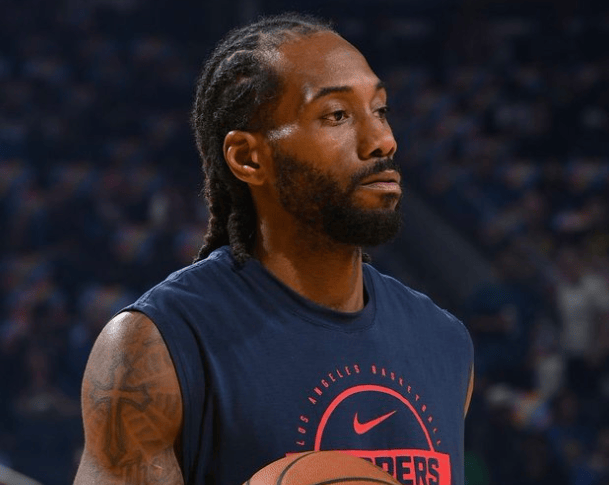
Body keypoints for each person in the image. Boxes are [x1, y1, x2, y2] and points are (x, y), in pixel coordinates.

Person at [74, 13, 474, 485]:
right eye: (337, 115)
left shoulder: (444, 341)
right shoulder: (156, 347)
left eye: (380, 110)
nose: (382, 140)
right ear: (248, 158)